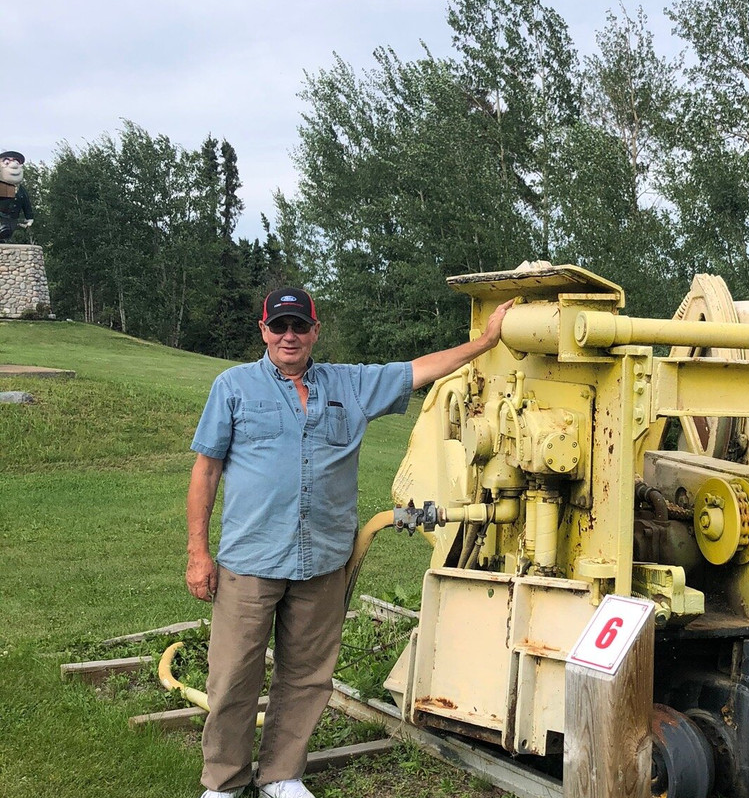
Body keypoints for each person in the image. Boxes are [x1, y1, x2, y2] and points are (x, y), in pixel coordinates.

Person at [186, 287, 513, 798]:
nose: (289, 336)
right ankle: (223, 783)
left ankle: (281, 776)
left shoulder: (350, 385)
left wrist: (486, 341)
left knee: (308, 676)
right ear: (264, 331)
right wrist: (198, 553)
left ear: (316, 331)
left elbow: (420, 369)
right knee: (232, 679)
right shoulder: (233, 387)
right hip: (250, 561)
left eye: (299, 326)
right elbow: (205, 471)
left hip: (322, 562)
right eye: (279, 326)